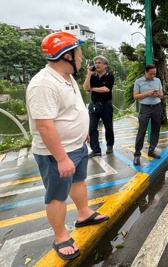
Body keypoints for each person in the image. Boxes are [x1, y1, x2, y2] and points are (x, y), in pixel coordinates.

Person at [26, 32, 109, 260]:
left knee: (78, 181)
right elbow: (44, 126)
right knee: (56, 195)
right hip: (56, 153)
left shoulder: (67, 76)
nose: (82, 58)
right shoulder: (43, 84)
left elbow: (70, 110)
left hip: (76, 145)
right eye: (79, 53)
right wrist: (62, 158)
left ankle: (84, 214)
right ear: (67, 55)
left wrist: (82, 134)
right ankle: (60, 236)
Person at [83, 55, 115, 158]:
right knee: (92, 127)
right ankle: (95, 149)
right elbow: (85, 87)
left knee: (108, 126)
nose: (97, 65)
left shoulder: (110, 76)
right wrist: (88, 74)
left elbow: (106, 89)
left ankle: (109, 145)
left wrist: (92, 89)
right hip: (94, 105)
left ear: (105, 65)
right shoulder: (93, 77)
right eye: (95, 63)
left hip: (106, 105)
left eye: (99, 63)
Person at [133, 64, 164, 165]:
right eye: (151, 74)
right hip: (145, 108)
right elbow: (135, 96)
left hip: (157, 107)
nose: (153, 76)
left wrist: (158, 94)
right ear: (145, 72)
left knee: (156, 129)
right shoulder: (138, 81)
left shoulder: (157, 80)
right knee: (141, 131)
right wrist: (146, 94)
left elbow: (162, 94)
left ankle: (151, 150)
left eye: (154, 74)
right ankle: (137, 155)